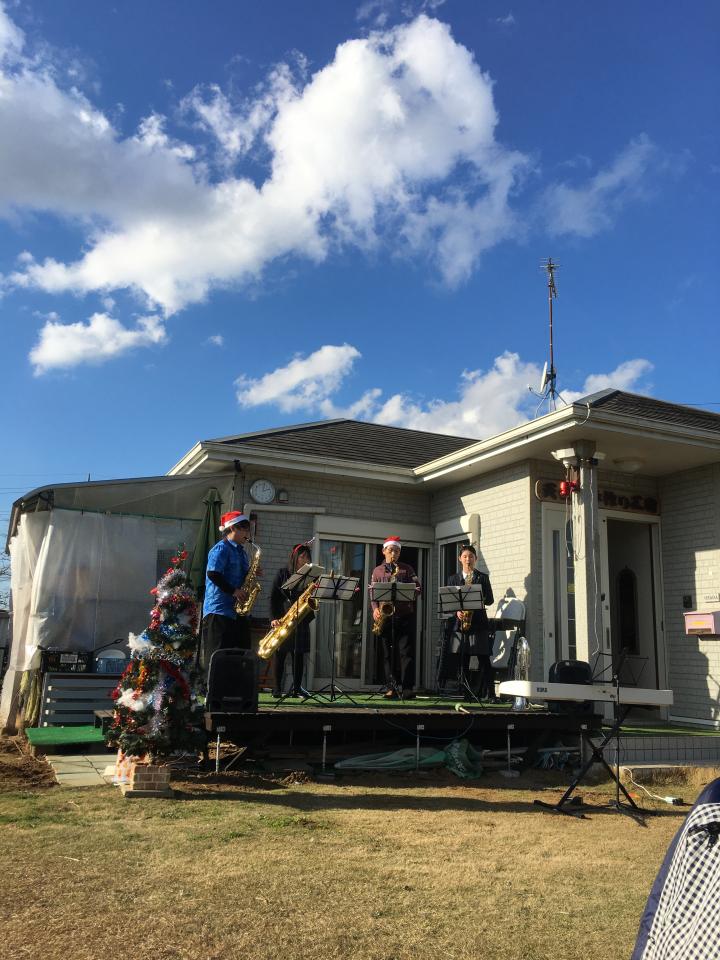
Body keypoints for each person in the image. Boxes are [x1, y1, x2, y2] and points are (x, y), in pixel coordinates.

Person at [370, 536, 421, 700]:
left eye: (397, 551)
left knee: (406, 653)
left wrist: (407, 590)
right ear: (384, 551)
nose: (394, 554)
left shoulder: (407, 569)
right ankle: (391, 687)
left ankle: (407, 688)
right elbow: (372, 593)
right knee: (387, 654)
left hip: (404, 615)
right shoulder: (377, 571)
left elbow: (418, 589)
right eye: (391, 550)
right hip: (385, 617)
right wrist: (375, 609)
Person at [200, 511, 251, 671]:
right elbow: (213, 574)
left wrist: (251, 573)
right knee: (217, 657)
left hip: (237, 611)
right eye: (244, 529)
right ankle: (211, 686)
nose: (247, 533)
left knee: (241, 655)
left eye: (248, 529)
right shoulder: (221, 548)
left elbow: (243, 577)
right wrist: (234, 591)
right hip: (219, 610)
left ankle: (234, 685)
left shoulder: (242, 552)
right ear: (233, 528)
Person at [444, 544, 494, 700]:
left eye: (471, 557)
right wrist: (456, 611)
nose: (468, 559)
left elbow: (490, 600)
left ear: (475, 559)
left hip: (478, 623)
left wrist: (478, 597)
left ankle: (491, 693)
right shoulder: (453, 578)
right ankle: (465, 693)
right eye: (465, 556)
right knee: (462, 658)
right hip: (460, 623)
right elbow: (449, 602)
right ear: (460, 559)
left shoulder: (482, 577)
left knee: (483, 658)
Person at [270, 543, 314, 697]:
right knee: (280, 654)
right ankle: (276, 688)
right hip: (283, 618)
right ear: (295, 557)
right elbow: (273, 598)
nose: (306, 560)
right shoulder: (282, 573)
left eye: (307, 557)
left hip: (300, 619)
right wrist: (274, 618)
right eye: (302, 556)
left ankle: (297, 688)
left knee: (299, 655)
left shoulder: (310, 576)